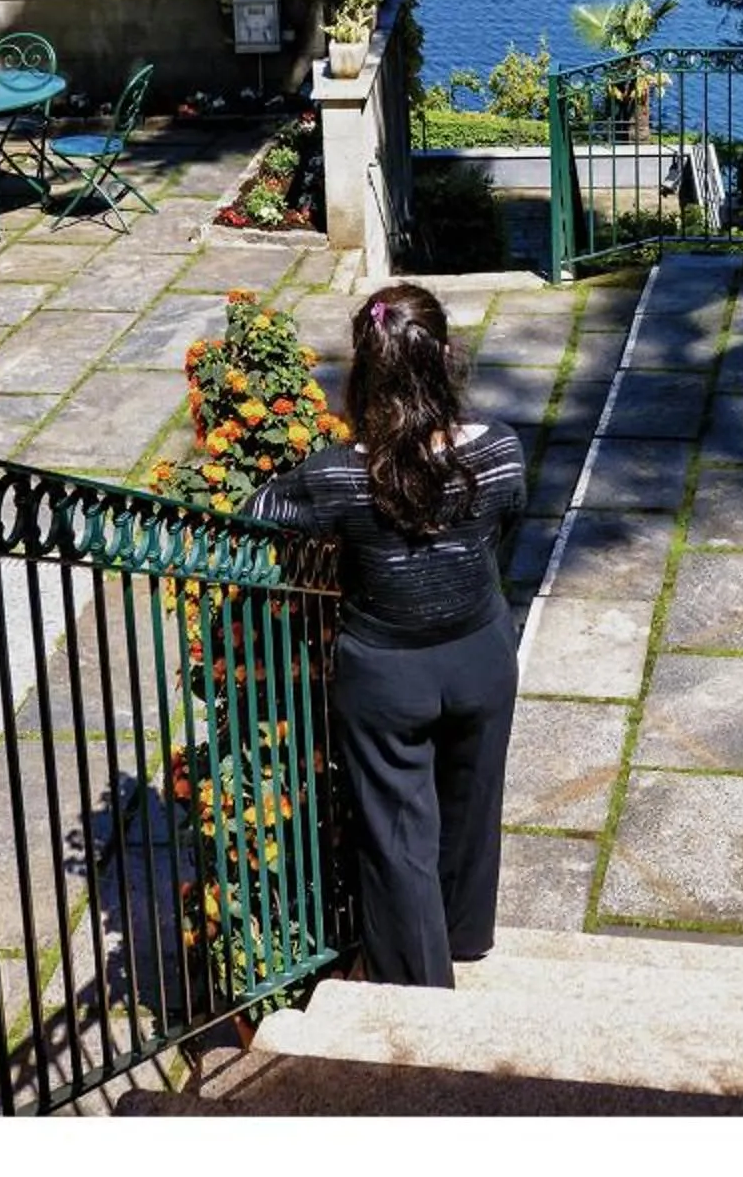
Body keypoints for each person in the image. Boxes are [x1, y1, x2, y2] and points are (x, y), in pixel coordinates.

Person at [246, 283, 526, 989]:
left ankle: (417, 989)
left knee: (397, 834)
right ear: (446, 360)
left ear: (364, 373)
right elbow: (504, 527)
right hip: (482, 654)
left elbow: (262, 511)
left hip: (385, 675)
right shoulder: (501, 451)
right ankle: (466, 933)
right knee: (472, 799)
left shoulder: (337, 476)